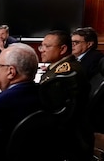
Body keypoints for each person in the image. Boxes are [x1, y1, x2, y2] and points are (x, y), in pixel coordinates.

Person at [38, 30, 93, 160]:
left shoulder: (63, 74)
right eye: (42, 46)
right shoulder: (70, 65)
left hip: (63, 135)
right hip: (76, 129)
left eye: (47, 46)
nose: (42, 50)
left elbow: (48, 112)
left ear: (62, 49)